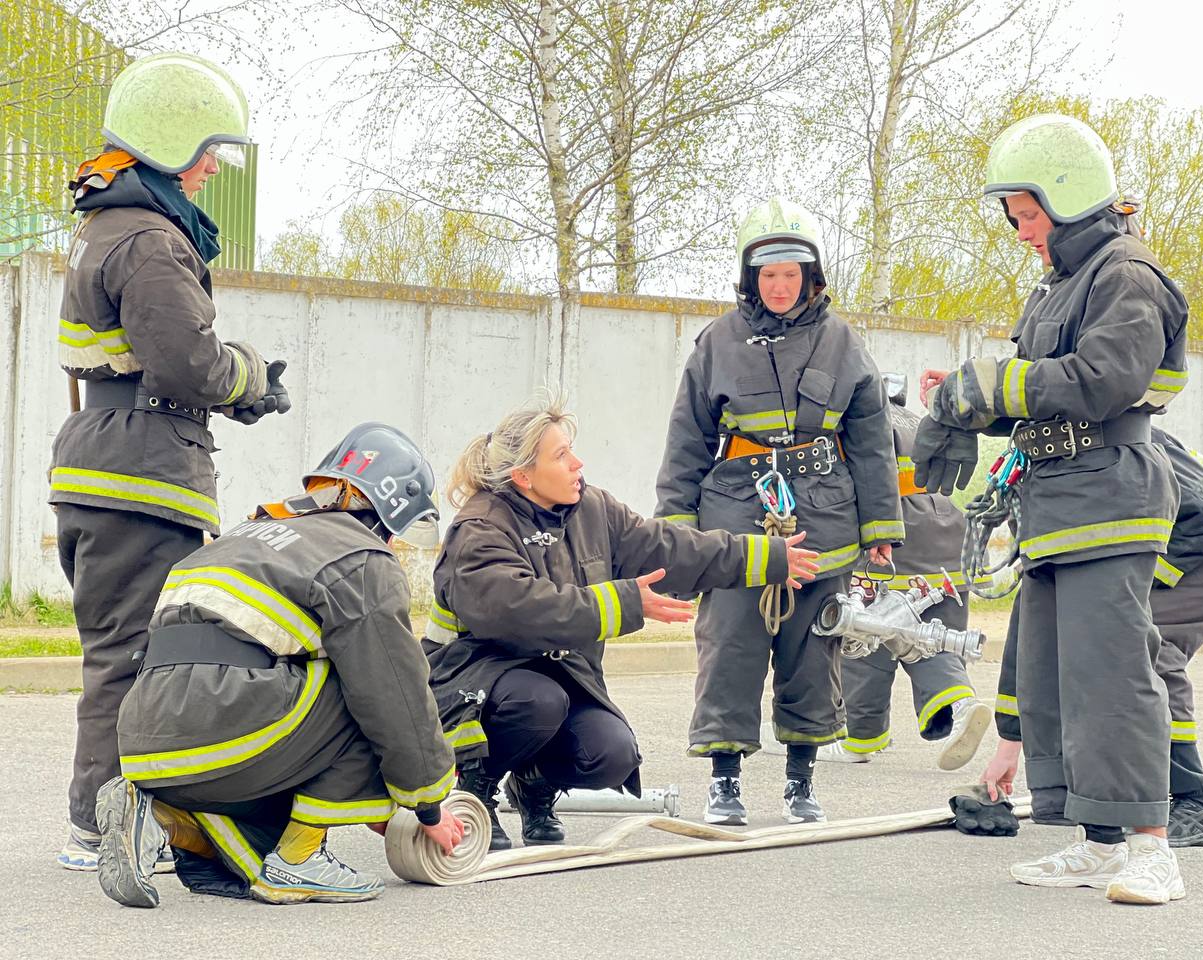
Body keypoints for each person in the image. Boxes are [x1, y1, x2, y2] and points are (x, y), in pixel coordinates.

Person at [913, 114, 1190, 904]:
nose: (1022, 230)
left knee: (1113, 678)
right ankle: (1099, 842)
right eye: (1015, 216)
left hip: (1112, 497)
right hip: (1058, 502)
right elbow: (1041, 394)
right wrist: (962, 401)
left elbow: (1105, 378)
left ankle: (1152, 848)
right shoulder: (1061, 284)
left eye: (1027, 214)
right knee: (1055, 683)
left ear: (1067, 197)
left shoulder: (1125, 274)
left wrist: (997, 382)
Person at [52, 51, 290, 871]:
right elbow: (190, 365)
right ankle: (104, 828)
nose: (214, 166)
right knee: (137, 657)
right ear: (169, 142)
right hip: (142, 474)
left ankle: (111, 818)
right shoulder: (151, 242)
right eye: (206, 150)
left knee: (117, 651)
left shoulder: (104, 229)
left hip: (105, 465)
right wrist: (253, 379)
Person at [426, 394, 819, 850]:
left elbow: (670, 548)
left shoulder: (593, 509)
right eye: (561, 455)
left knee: (611, 754)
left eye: (572, 449)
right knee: (539, 702)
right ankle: (475, 790)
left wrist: (768, 558)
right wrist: (624, 603)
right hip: (471, 680)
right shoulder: (481, 528)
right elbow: (519, 610)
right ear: (523, 477)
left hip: (558, 675)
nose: (578, 463)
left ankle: (533, 786)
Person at [94, 423, 461, 908]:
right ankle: (300, 859)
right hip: (220, 724)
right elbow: (395, 694)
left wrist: (375, 794)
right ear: (385, 511)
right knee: (366, 682)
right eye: (396, 531)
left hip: (145, 741)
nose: (394, 544)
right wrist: (427, 800)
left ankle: (165, 818)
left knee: (256, 841)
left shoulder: (246, 535)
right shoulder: (358, 556)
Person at [654, 198, 902, 825]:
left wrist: (881, 528)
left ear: (812, 275)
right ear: (749, 277)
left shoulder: (845, 343)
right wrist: (678, 531)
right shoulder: (716, 342)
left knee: (811, 650)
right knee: (731, 641)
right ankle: (725, 780)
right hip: (736, 509)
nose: (781, 286)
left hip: (824, 512)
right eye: (768, 275)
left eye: (792, 273)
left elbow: (872, 440)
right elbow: (687, 440)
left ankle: (800, 780)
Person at [982, 427, 1203, 846]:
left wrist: (1133, 592)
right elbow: (1031, 638)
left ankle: (1196, 803)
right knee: (1094, 632)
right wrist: (1007, 749)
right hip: (1187, 535)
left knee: (1141, 645)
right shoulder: (1053, 489)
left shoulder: (1116, 445)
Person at [763, 373, 993, 769]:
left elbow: (849, 486)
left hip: (894, 545)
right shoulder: (918, 420)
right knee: (931, 639)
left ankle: (861, 737)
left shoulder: (859, 424)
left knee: (862, 640)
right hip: (949, 545)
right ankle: (961, 705)